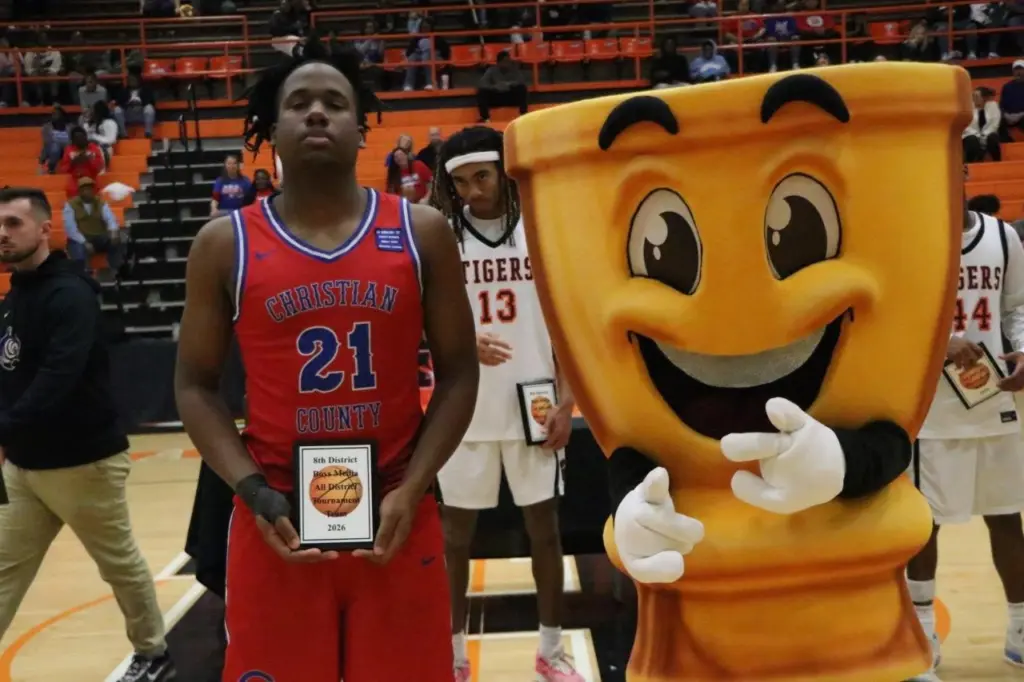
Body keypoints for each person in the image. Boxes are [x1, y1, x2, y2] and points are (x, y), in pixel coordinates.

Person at [173, 35, 480, 682]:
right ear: (271, 130)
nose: (317, 112)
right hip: (276, 520)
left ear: (362, 129)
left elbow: (459, 372)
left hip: (397, 515)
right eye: (299, 103)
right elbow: (195, 387)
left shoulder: (421, 231)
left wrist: (415, 486)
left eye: (335, 103)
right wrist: (251, 489)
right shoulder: (224, 243)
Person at [0, 187, 174, 682]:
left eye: (13, 223)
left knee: (117, 564)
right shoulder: (15, 296)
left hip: (82, 463)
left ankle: (154, 653)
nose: (2, 234)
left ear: (44, 229)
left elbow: (59, 377)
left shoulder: (70, 294)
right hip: (25, 467)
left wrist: (4, 427)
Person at [429, 126, 582, 682]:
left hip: (534, 404)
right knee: (454, 539)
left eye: (482, 176)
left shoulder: (541, 230)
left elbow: (568, 326)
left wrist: (567, 402)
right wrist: (460, 342)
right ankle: (452, 658)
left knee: (545, 530)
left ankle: (550, 652)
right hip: (464, 408)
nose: (473, 190)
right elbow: (417, 319)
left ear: (503, 172)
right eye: (461, 182)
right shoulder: (440, 236)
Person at [907, 194, 1024, 680]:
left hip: (994, 398)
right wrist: (940, 342)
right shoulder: (912, 241)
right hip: (932, 408)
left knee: (1007, 516)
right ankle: (922, 635)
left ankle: (1019, 630)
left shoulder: (1003, 237)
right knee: (925, 525)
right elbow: (893, 316)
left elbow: (1017, 307)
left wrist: (1023, 349)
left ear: (965, 174)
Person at [64, 176, 126, 278]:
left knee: (119, 238)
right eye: (85, 189)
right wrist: (85, 242)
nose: (88, 191)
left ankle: (117, 270)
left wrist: (114, 232)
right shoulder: (70, 205)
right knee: (77, 249)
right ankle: (85, 276)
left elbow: (110, 219)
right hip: (80, 239)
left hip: (99, 237)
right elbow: (71, 229)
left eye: (90, 189)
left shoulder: (101, 203)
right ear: (79, 191)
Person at [476, 51, 528, 123]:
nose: (507, 63)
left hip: (510, 96)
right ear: (498, 62)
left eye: (508, 61)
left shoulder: (514, 70)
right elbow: (482, 84)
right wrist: (495, 87)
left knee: (522, 88)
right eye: (505, 61)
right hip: (497, 96)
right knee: (482, 92)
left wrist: (508, 84)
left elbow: (521, 81)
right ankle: (485, 118)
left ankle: (523, 115)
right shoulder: (491, 70)